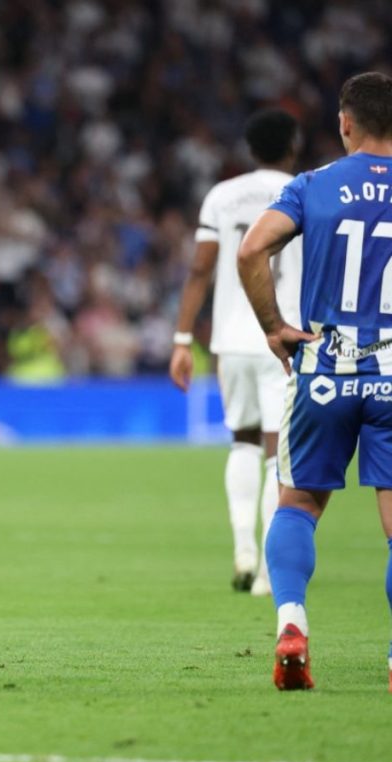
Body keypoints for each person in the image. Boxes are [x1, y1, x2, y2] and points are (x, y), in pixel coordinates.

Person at [238, 71, 392, 691]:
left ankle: (292, 624)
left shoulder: (313, 185)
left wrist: (276, 327)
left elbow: (252, 251)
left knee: (298, 504)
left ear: (345, 123)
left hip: (324, 365)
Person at [170, 109, 302, 597]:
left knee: (242, 440)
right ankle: (268, 571)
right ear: (292, 146)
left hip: (229, 340)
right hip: (283, 338)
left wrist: (183, 340)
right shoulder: (305, 190)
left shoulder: (222, 196)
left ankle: (243, 547)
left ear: (250, 149)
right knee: (277, 456)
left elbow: (199, 271)